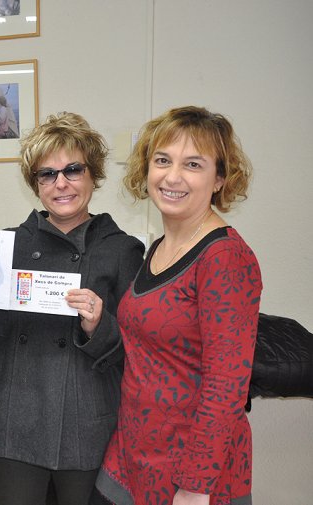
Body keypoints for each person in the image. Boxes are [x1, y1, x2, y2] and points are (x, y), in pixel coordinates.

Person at [0, 112, 145, 505]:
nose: (61, 183)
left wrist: (97, 325)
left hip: (84, 421)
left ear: (93, 174)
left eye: (73, 170)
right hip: (13, 416)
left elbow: (136, 349)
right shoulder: (9, 244)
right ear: (35, 184)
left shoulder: (121, 249)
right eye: (47, 174)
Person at [95, 106, 262, 505]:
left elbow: (227, 385)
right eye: (162, 161)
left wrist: (196, 485)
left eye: (193, 164)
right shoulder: (159, 247)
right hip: (132, 453)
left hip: (191, 471)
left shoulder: (224, 257)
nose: (172, 177)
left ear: (220, 178)